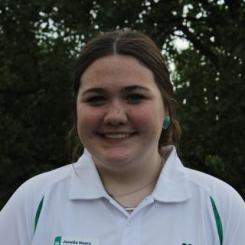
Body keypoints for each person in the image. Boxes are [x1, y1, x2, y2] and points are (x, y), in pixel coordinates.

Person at [0, 29, 244, 245]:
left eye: (135, 97)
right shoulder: (34, 202)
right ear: (76, 109)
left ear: (167, 109)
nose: (115, 116)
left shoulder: (222, 207)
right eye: (96, 99)